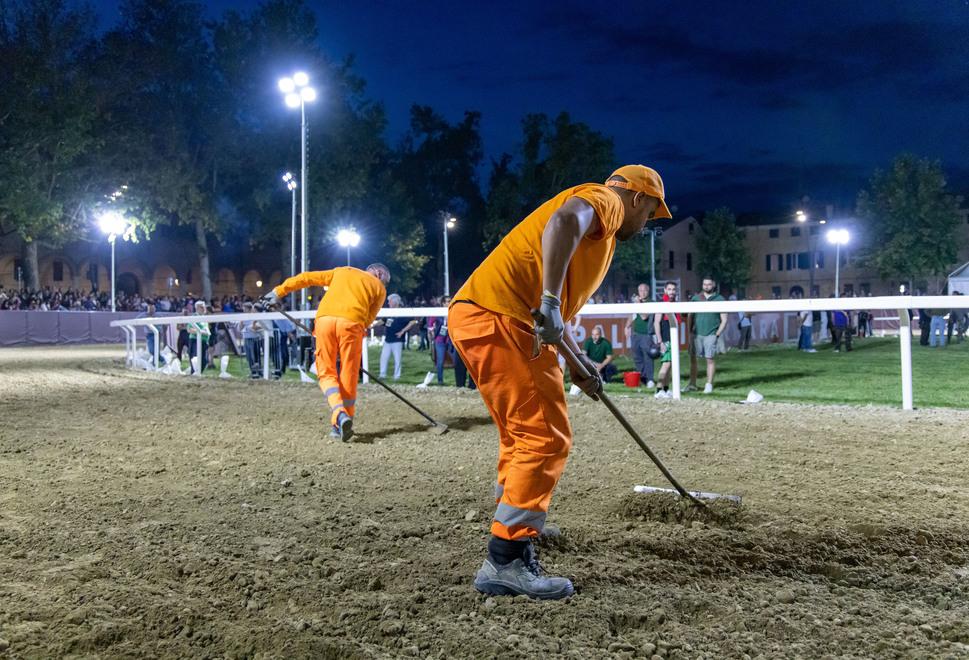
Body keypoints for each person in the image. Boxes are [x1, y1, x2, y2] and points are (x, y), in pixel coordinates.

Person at [448, 164, 670, 599]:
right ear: (638, 199)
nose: (646, 226)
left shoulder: (599, 238)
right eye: (650, 215)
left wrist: (578, 362)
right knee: (546, 438)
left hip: (485, 313)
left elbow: (555, 319)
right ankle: (506, 558)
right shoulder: (605, 200)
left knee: (520, 436)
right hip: (503, 316)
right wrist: (550, 300)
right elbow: (564, 222)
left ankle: (515, 526)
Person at [261, 263, 390, 441]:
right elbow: (369, 318)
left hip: (324, 321)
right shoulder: (380, 290)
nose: (384, 284)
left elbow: (306, 278)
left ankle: (339, 413)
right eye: (385, 281)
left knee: (326, 371)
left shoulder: (342, 271)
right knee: (349, 373)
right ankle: (341, 423)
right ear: (379, 274)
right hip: (353, 324)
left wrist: (277, 292)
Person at [686, 277, 727, 394]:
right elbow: (690, 316)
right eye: (704, 284)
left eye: (709, 284)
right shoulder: (696, 298)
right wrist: (690, 332)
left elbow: (724, 319)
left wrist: (717, 334)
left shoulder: (720, 299)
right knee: (693, 359)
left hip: (711, 333)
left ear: (713, 285)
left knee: (710, 359)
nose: (706, 286)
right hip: (696, 334)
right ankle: (692, 384)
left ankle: (708, 384)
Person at [624, 283, 655, 387]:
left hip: (646, 334)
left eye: (644, 290)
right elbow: (632, 315)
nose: (642, 292)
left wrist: (638, 304)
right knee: (637, 357)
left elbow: (644, 317)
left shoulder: (651, 302)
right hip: (636, 334)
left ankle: (650, 379)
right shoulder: (637, 303)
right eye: (640, 291)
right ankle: (642, 378)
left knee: (647, 357)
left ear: (648, 291)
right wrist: (627, 326)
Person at [379, 294, 417, 380]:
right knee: (383, 357)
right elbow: (382, 321)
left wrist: (402, 331)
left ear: (395, 302)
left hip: (397, 340)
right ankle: (382, 375)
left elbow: (413, 321)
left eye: (389, 301)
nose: (388, 303)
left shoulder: (403, 312)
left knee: (397, 359)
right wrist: (373, 324)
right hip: (387, 339)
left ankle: (397, 376)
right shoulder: (389, 312)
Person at [652, 281, 680, 399]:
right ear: (665, 290)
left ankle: (666, 389)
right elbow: (656, 323)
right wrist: (660, 341)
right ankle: (658, 390)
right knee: (666, 365)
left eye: (673, 289)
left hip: (673, 339)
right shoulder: (662, 304)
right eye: (669, 289)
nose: (672, 292)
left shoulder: (676, 304)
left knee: (670, 365)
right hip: (666, 340)